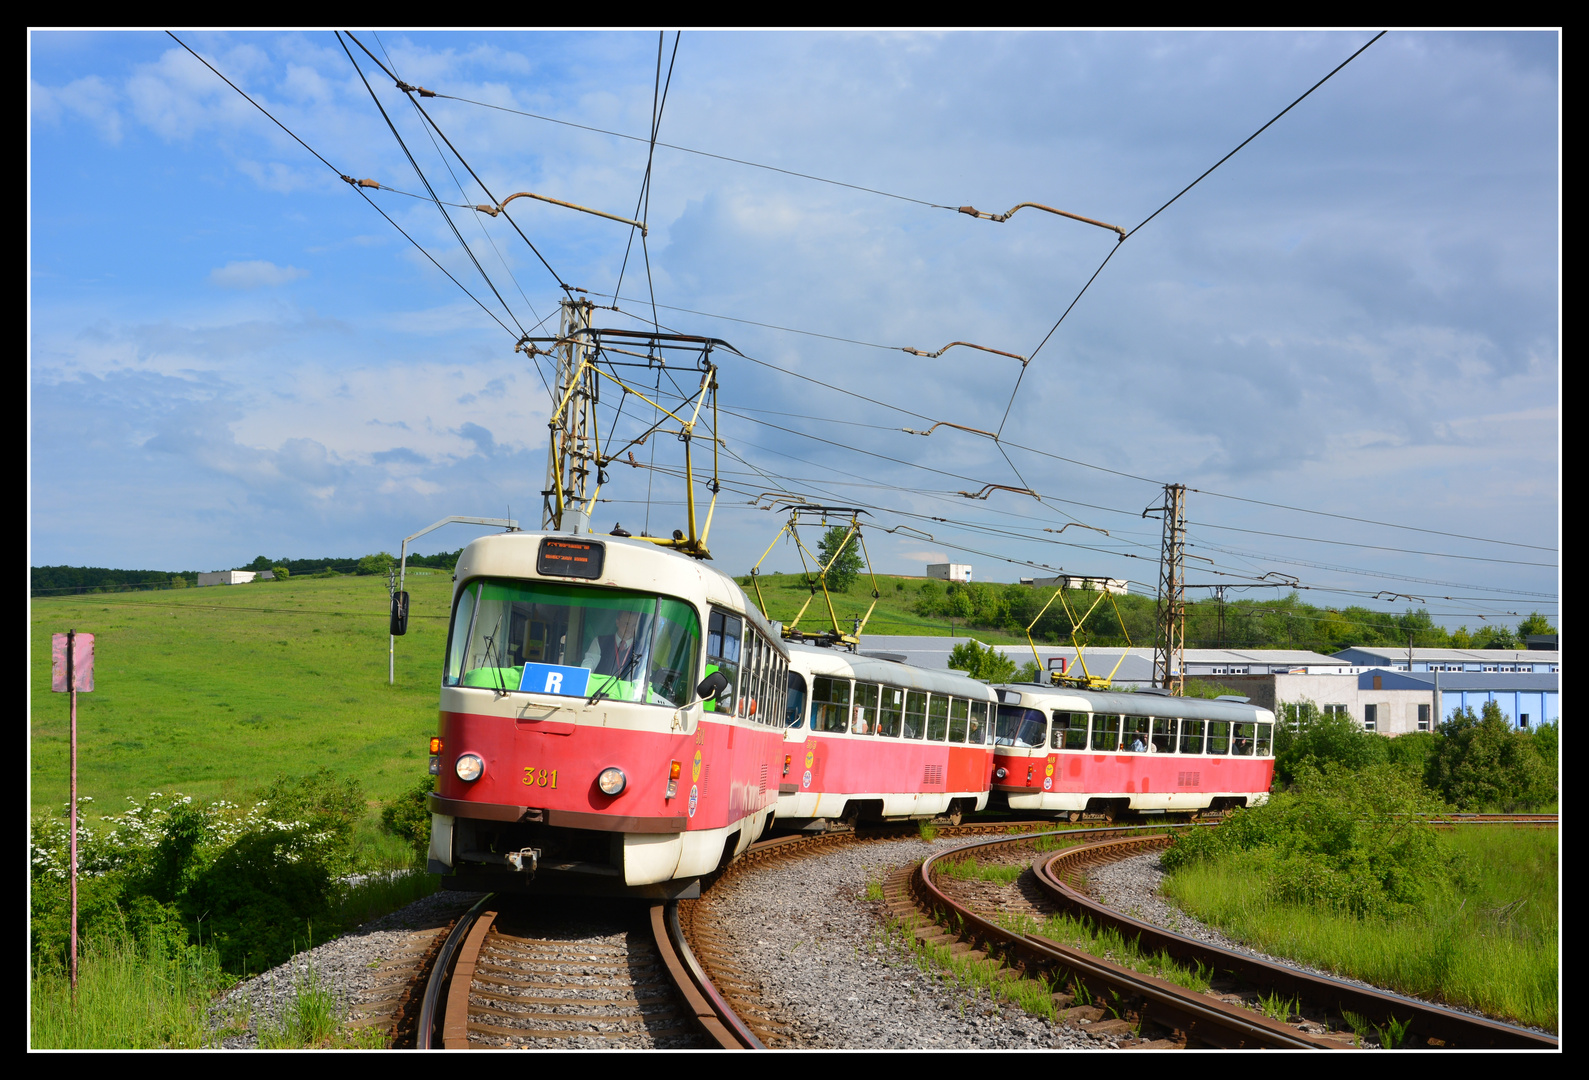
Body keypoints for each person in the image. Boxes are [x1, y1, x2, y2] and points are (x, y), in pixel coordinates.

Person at [582, 609, 645, 676]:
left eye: (634, 625)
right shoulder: (599, 642)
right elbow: (588, 665)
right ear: (617, 622)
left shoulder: (642, 648)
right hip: (603, 686)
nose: (630, 629)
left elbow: (643, 673)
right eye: (627, 624)